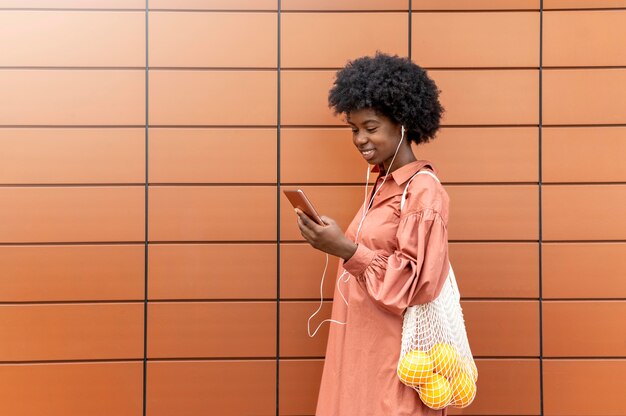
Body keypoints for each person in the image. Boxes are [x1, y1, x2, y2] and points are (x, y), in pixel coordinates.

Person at [294, 52, 450, 415]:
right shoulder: (383, 186)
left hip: (393, 360)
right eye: (353, 128)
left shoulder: (423, 191)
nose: (360, 139)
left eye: (371, 127)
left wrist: (347, 250)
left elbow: (417, 285)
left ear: (404, 124)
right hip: (360, 349)